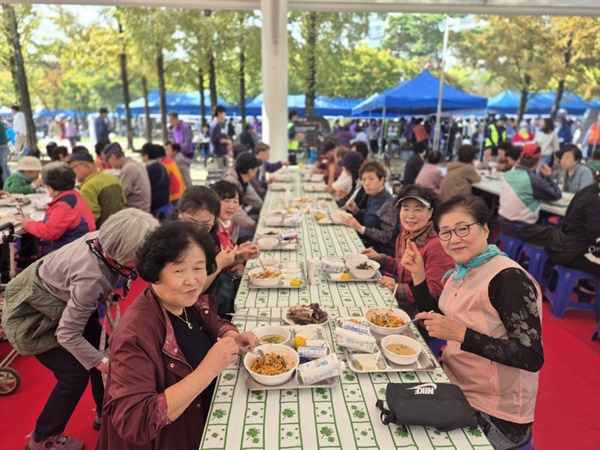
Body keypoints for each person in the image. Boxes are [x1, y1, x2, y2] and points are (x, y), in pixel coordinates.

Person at [2, 209, 159, 450]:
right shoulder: (91, 278)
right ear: (125, 253)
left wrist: (102, 360)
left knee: (104, 348)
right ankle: (43, 438)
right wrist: (103, 364)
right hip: (35, 318)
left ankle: (104, 411)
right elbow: (67, 334)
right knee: (74, 374)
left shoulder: (106, 238)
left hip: (63, 302)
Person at [96, 221, 257, 450]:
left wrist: (231, 334)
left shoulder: (183, 301)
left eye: (198, 268)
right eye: (179, 270)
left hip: (205, 416)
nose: (192, 280)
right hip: (173, 438)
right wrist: (208, 369)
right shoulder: (135, 336)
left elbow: (209, 319)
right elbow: (135, 421)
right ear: (155, 274)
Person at [402, 195, 543, 449]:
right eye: (445, 232)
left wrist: (461, 333)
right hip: (454, 383)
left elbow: (530, 356)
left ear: (486, 228)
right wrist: (419, 275)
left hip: (494, 410)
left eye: (463, 228)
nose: (454, 239)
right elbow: (439, 319)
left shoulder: (509, 279)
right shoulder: (462, 270)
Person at [361, 185, 454, 316]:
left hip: (420, 312)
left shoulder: (437, 244)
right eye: (405, 209)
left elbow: (434, 292)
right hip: (404, 301)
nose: (410, 215)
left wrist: (397, 288)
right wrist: (381, 259)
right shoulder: (406, 235)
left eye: (418, 209)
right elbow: (402, 267)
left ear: (431, 212)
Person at [20, 162, 96, 255]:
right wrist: (32, 224)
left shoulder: (64, 206)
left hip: (68, 256)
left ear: (50, 188)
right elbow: (54, 225)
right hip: (79, 249)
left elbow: (50, 232)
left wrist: (28, 224)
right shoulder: (73, 196)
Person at [498, 143, 561, 246]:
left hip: (502, 222)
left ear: (520, 158)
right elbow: (556, 195)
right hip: (521, 227)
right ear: (538, 160)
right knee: (555, 233)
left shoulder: (508, 174)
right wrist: (549, 175)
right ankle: (537, 259)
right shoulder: (533, 179)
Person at [545, 168, 600, 276]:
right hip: (574, 252)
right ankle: (588, 285)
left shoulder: (589, 190)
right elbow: (595, 236)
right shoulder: (595, 201)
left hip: (566, 243)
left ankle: (590, 285)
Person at [342, 161, 399, 257]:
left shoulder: (389, 203)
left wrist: (361, 229)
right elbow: (371, 218)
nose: (367, 183)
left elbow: (386, 236)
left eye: (371, 179)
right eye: (363, 179)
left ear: (381, 180)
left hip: (382, 253)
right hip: (369, 244)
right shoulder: (372, 196)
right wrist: (356, 210)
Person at [211, 180, 260, 274]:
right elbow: (218, 266)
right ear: (213, 202)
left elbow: (228, 252)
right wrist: (238, 260)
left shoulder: (225, 224)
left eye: (235, 201)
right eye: (226, 201)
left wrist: (240, 249)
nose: (231, 206)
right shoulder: (213, 229)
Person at [69, 150, 126, 229]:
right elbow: (123, 202)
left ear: (85, 166)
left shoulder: (88, 187)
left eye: (73, 168)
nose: (72, 172)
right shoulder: (113, 179)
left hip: (102, 234)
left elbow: (90, 219)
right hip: (120, 228)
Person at [104, 142, 152, 213]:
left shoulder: (128, 169)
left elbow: (120, 195)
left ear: (112, 156)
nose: (108, 163)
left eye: (107, 160)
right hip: (144, 208)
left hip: (137, 212)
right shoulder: (136, 164)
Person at [221, 152, 263, 231]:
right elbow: (234, 212)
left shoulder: (241, 177)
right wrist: (254, 226)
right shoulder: (230, 182)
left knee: (261, 220)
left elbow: (253, 198)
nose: (257, 169)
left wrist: (264, 208)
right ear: (250, 171)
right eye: (256, 167)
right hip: (229, 226)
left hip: (237, 220)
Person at [140, 143, 171, 215]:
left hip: (155, 204)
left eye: (142, 154)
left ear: (146, 155)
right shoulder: (160, 166)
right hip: (164, 200)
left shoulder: (151, 169)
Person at [0, 119, 12, 183]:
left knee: (2, 169)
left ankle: (5, 185)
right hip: (4, 147)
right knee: (5, 167)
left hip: (1, 147)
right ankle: (10, 182)